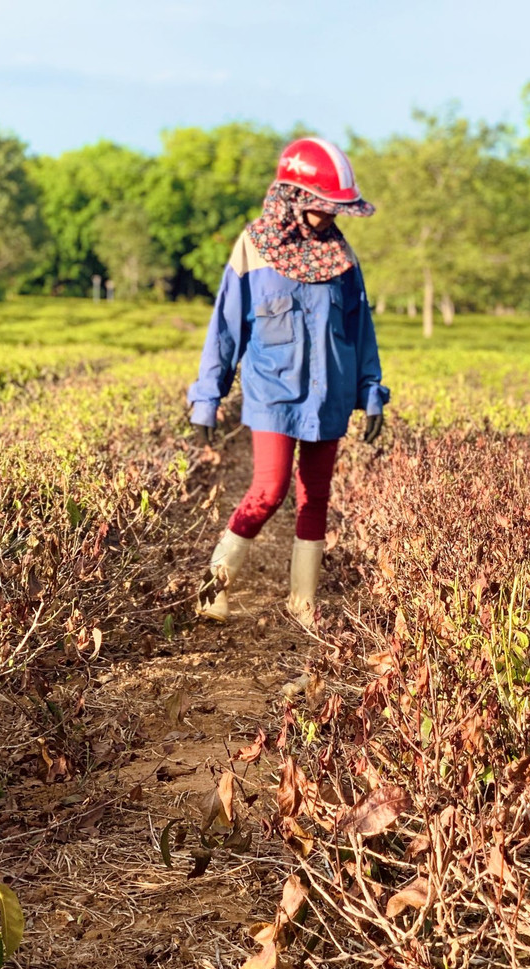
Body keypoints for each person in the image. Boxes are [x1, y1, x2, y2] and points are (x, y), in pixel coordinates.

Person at [187, 137, 388, 626]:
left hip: (331, 397)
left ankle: (302, 603)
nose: (329, 218)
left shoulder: (342, 257)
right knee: (268, 490)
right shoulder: (253, 247)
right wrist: (206, 401)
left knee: (315, 496)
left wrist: (371, 393)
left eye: (336, 210)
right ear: (294, 199)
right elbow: (225, 329)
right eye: (321, 208)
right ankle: (212, 590)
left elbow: (361, 331)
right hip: (272, 393)